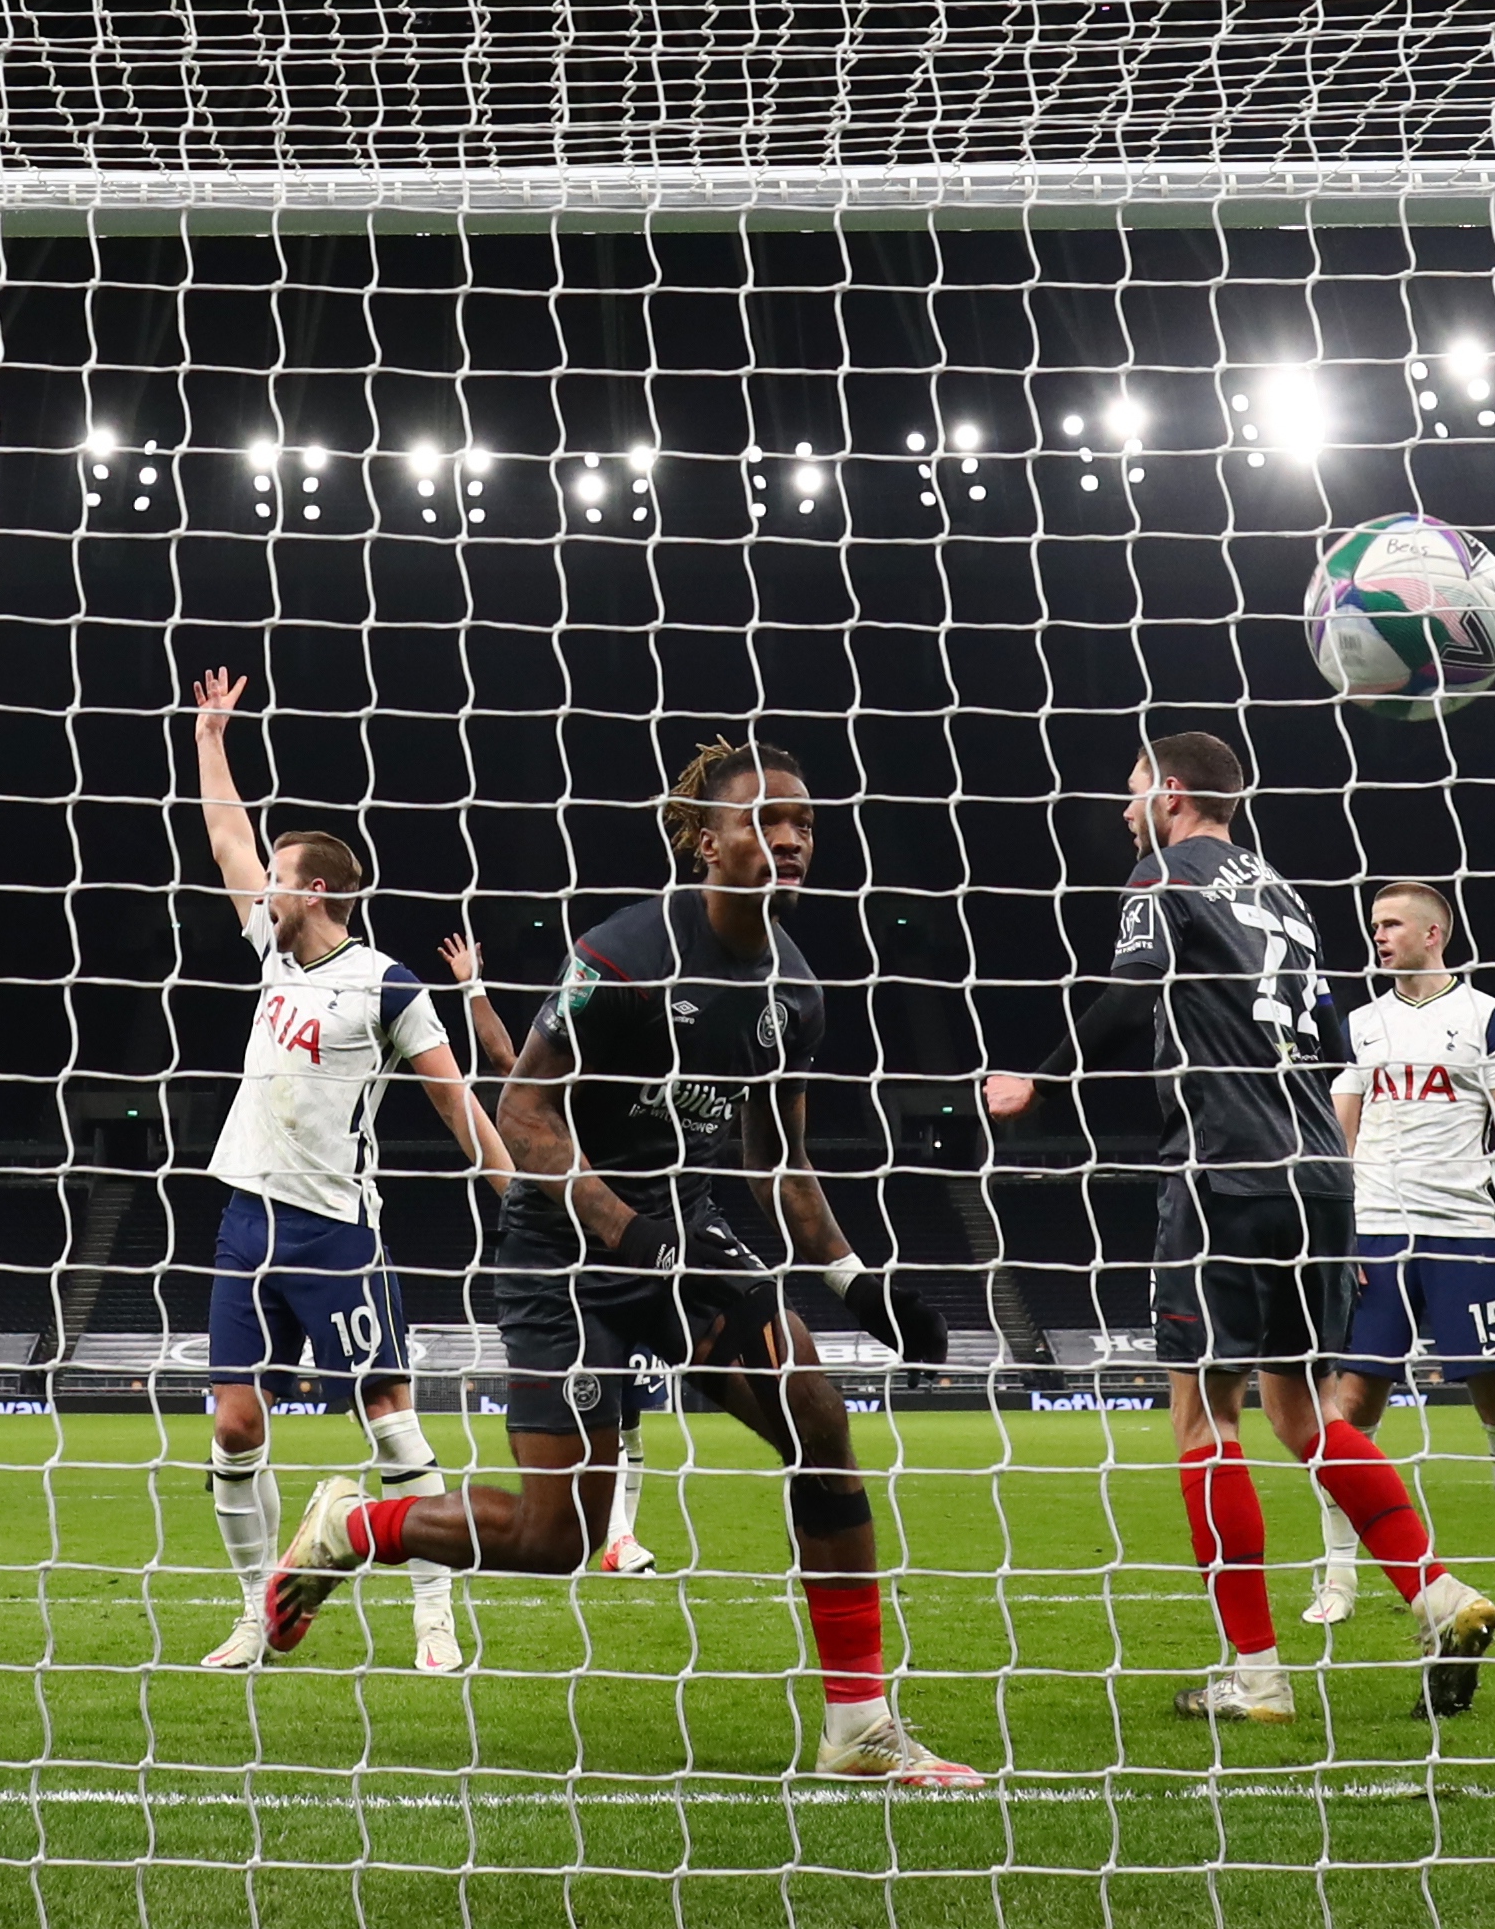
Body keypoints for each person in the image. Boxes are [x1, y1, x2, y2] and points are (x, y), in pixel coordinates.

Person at [260, 737, 975, 1786]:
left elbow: (781, 1163)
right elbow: (526, 1109)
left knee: (820, 1418)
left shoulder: (798, 992)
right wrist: (618, 1226)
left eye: (805, 823)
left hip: (678, 1234)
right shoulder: (623, 955)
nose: (787, 839)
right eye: (760, 822)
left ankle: (860, 1731)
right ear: (702, 839)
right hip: (561, 1248)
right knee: (559, 1538)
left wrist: (857, 1284)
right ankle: (352, 1527)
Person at [985, 736, 1495, 1723]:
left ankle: (1257, 1677)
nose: (1123, 804)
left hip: (1223, 1170)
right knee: (1304, 1418)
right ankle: (1437, 1593)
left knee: (1203, 1420)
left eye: (1133, 786)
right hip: (1319, 1172)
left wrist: (1038, 1078)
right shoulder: (1284, 893)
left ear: (1173, 794)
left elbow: (1135, 988)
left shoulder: (1160, 872)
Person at [179, 670, 517, 1675]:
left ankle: (433, 1615)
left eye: (279, 880)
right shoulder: (274, 956)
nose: (261, 889)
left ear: (314, 890)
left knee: (394, 1431)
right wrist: (210, 738)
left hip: (338, 1236)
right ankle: (260, 1613)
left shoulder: (388, 985)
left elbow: (457, 1102)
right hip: (248, 1223)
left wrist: (520, 1202)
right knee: (234, 1424)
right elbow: (229, 838)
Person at [1304, 879, 1495, 1632]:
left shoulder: (1487, 1018)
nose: (1379, 934)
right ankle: (1337, 1577)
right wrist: (1339, 1240)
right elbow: (1342, 1136)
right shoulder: (1361, 1024)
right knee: (1352, 1407)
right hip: (1375, 1230)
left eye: (1393, 923)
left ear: (1434, 933)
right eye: (1375, 924)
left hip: (1463, 1232)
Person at [441, 930, 659, 1577]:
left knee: (631, 1420)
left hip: (619, 1264)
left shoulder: (616, 1122)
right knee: (585, 1421)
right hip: (555, 1280)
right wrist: (471, 984)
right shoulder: (541, 1127)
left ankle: (620, 1537)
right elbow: (504, 1053)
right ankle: (603, 1531)